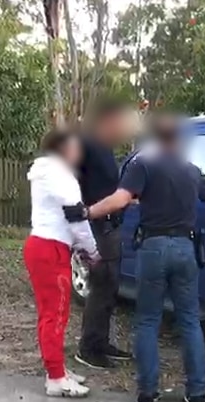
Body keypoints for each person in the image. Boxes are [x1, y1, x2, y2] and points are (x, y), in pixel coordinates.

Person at [63, 113, 205, 402]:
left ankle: (147, 392)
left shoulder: (143, 165)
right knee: (189, 320)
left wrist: (87, 212)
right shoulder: (192, 171)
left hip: (153, 249)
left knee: (148, 320)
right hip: (186, 249)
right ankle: (197, 394)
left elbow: (120, 199)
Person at [23, 128, 100, 398]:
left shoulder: (47, 172)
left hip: (45, 245)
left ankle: (57, 369)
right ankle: (55, 377)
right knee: (54, 314)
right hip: (50, 248)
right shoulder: (60, 174)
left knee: (56, 312)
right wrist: (92, 250)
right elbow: (76, 215)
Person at [75, 99, 135, 370]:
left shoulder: (106, 148)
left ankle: (101, 341)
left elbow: (108, 186)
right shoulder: (86, 143)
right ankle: (88, 348)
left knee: (110, 287)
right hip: (96, 225)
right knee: (101, 285)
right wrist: (81, 216)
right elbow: (72, 180)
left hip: (111, 224)